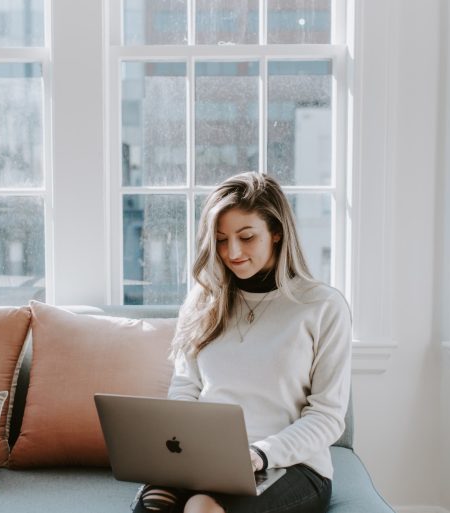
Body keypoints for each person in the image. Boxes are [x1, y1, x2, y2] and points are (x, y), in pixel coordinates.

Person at [132, 172, 352, 513]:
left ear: (277, 233)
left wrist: (259, 454)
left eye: (246, 237)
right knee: (152, 507)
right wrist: (182, 450)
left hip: (292, 463)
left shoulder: (322, 306)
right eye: (221, 239)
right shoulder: (203, 300)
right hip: (204, 459)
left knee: (203, 508)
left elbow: (327, 417)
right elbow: (185, 388)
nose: (232, 252)